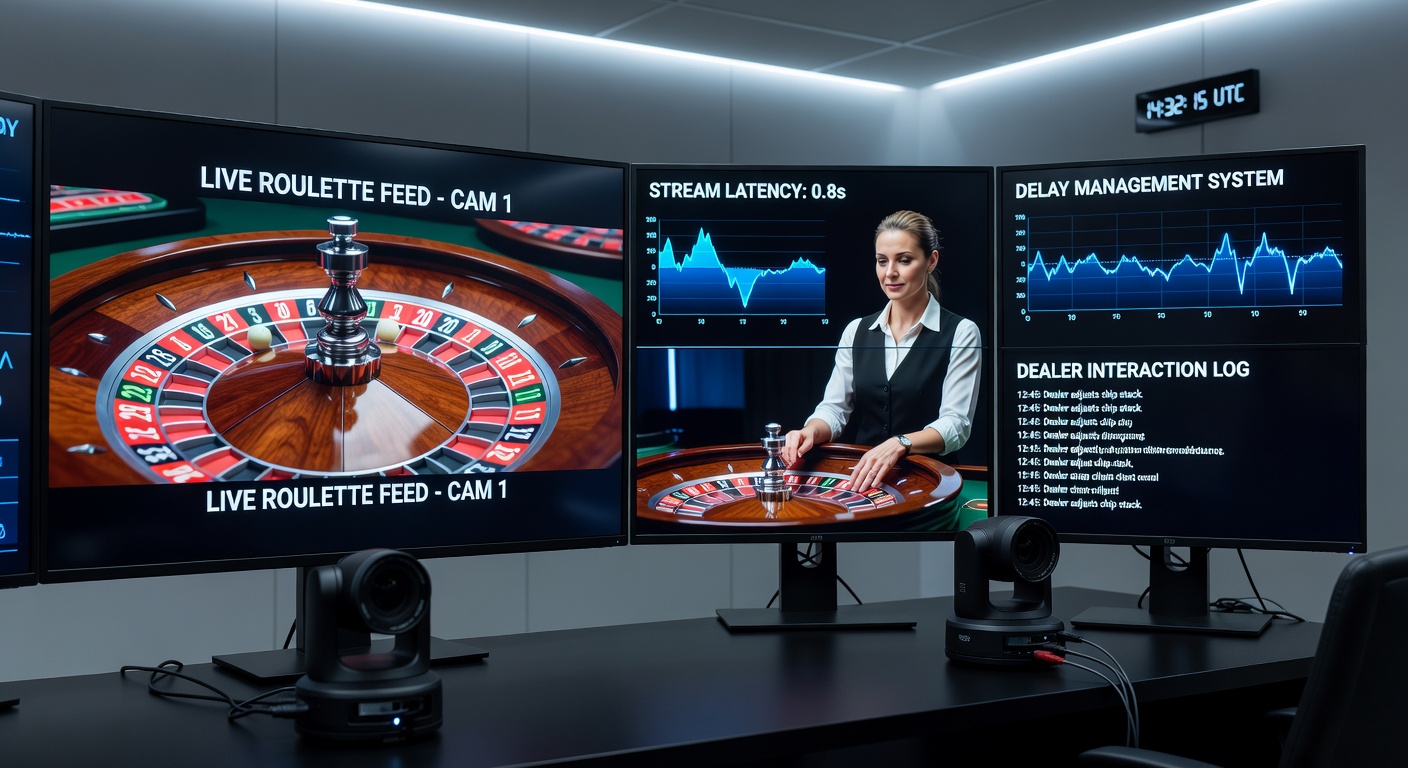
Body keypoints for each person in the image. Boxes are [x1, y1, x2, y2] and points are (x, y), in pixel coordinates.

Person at [780, 210, 981, 492]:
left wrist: (900, 444)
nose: (890, 273)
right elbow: (834, 409)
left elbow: (956, 425)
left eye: (905, 260)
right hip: (862, 481)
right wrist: (809, 430)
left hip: (933, 481)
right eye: (882, 261)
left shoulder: (962, 332)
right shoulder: (856, 331)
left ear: (931, 261)